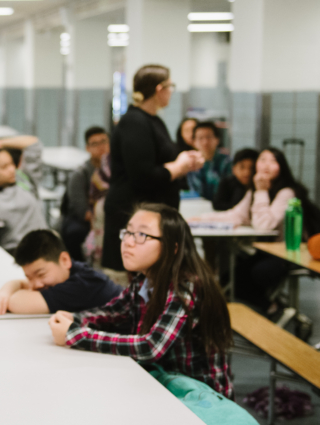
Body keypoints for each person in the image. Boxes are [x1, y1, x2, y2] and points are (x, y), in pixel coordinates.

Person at [49, 203, 234, 398]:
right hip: (163, 386)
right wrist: (74, 318)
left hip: (201, 401)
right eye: (128, 232)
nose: (128, 242)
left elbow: (152, 347)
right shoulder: (145, 279)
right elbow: (114, 312)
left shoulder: (186, 286)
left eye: (142, 235)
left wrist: (76, 335)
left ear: (172, 247)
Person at [102, 64, 204, 275]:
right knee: (134, 282)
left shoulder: (153, 120)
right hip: (133, 213)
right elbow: (143, 175)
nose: (171, 92)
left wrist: (188, 159)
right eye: (170, 86)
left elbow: (164, 157)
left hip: (151, 214)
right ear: (159, 89)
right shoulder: (134, 122)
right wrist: (177, 167)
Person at [191, 148, 318, 313]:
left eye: (273, 161)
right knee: (229, 279)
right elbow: (237, 215)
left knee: (257, 273)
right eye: (263, 160)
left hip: (286, 252)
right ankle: (270, 306)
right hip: (265, 250)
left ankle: (275, 309)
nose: (266, 165)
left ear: (281, 167)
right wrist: (201, 219)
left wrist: (261, 191)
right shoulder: (254, 190)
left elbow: (264, 225)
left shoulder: (286, 192)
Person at [0, 230, 123, 316]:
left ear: (64, 260)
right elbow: (18, 283)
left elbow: (16, 302)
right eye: (29, 277)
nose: (35, 285)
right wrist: (4, 294)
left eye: (41, 274)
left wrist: (8, 296)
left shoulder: (82, 285)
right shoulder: (70, 272)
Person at [60, 126, 110, 260]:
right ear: (87, 148)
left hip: (107, 218)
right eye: (95, 144)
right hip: (84, 221)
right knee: (75, 233)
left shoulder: (115, 171)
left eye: (104, 141)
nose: (101, 147)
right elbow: (83, 212)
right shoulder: (80, 174)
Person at [187, 121, 232, 202]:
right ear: (194, 142)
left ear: (217, 139)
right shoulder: (190, 163)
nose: (205, 142)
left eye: (209, 137)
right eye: (200, 138)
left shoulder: (227, 162)